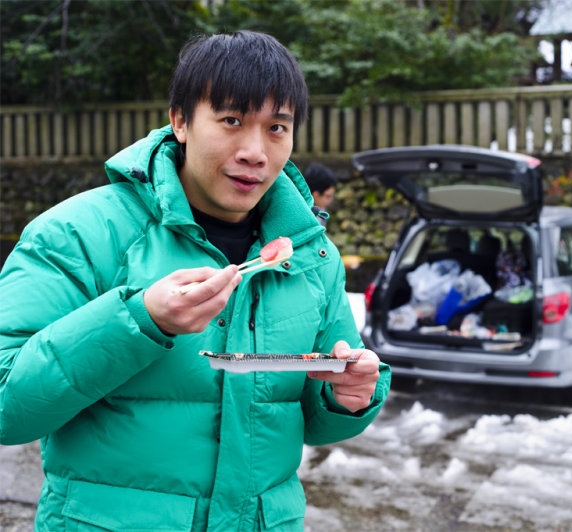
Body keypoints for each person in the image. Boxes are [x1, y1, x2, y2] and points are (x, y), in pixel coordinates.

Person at [0, 30, 390, 531]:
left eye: (277, 128)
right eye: (231, 120)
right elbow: (8, 408)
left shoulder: (312, 254)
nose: (255, 151)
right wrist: (138, 321)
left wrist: (349, 396)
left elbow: (313, 422)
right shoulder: (78, 234)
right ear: (180, 121)